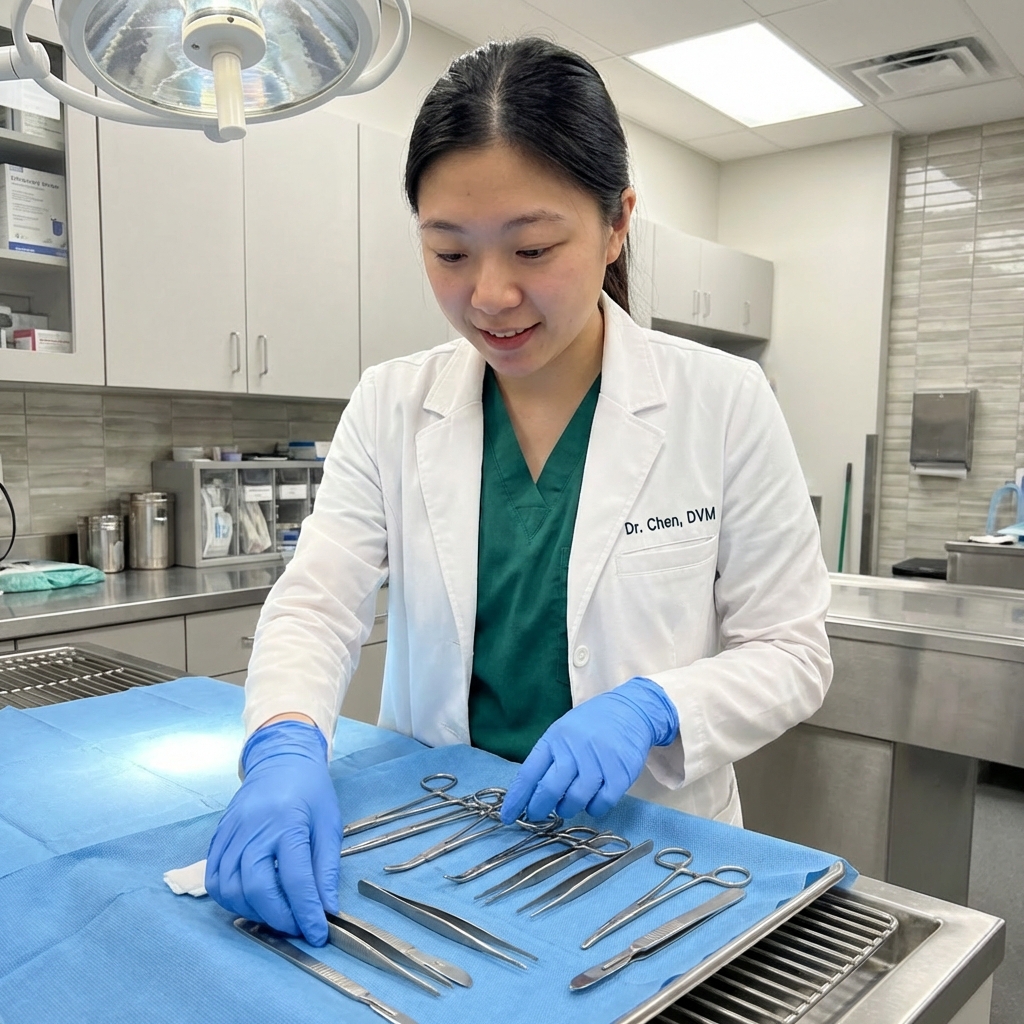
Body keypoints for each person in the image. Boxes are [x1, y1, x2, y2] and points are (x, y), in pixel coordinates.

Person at [204, 37, 832, 948]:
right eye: (449, 252)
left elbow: (792, 650)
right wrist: (285, 744)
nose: (490, 295)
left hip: (652, 853)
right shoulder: (392, 402)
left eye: (533, 247)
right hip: (444, 834)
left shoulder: (722, 402)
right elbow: (317, 602)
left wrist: (654, 707)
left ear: (618, 222)